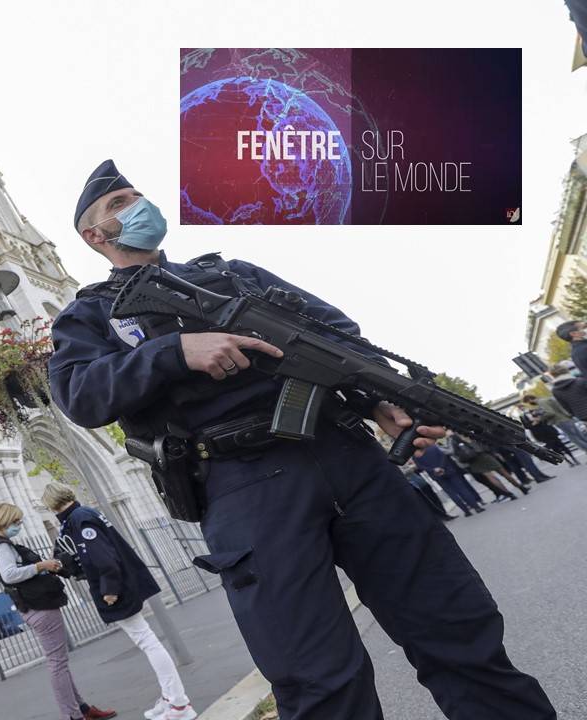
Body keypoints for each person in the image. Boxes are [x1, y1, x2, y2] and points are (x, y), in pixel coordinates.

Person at [47, 159, 555, 719]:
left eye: (137, 195)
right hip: (242, 483)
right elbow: (79, 395)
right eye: (119, 205)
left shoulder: (233, 273)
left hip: (348, 456)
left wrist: (379, 400)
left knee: (459, 631)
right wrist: (172, 353)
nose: (138, 207)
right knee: (319, 684)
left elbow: (337, 336)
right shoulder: (91, 314)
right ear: (95, 237)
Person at [42, 482, 197, 720]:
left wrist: (110, 590)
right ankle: (170, 697)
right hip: (120, 584)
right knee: (147, 640)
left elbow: (103, 558)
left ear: (52, 504)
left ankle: (179, 704)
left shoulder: (80, 519)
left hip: (117, 589)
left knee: (147, 641)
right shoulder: (84, 515)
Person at [0, 502, 117, 720]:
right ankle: (72, 715)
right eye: (16, 521)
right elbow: (9, 575)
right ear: (6, 520)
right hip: (40, 608)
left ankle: (82, 708)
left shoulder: (4, 545)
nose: (19, 525)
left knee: (60, 663)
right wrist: (41, 566)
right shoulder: (2, 547)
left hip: (38, 606)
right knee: (57, 664)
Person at [413, 443, 486, 516]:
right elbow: (443, 456)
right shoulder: (433, 447)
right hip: (448, 470)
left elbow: (421, 466)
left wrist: (434, 469)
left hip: (436, 475)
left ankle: (466, 511)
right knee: (462, 489)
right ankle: (476, 507)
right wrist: (441, 467)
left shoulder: (415, 456)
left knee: (452, 494)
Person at [520, 390, 587, 454]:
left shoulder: (541, 402)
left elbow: (550, 413)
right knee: (580, 437)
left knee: (575, 439)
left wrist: (540, 418)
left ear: (529, 399)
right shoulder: (545, 400)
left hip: (560, 421)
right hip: (565, 419)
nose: (529, 403)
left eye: (528, 402)